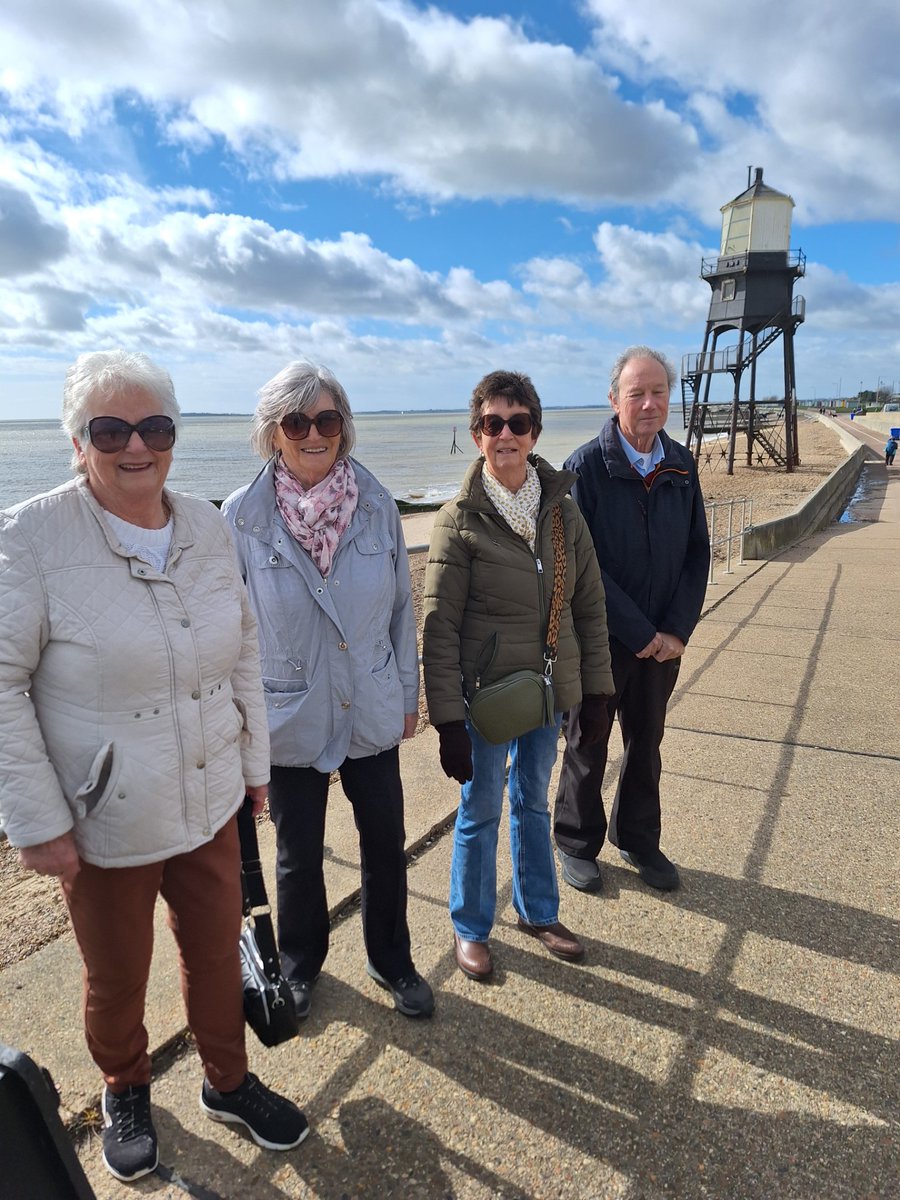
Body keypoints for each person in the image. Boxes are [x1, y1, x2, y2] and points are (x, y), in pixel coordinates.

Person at [0, 351, 308, 1185]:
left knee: (216, 950)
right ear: (76, 441)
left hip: (209, 793)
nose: (136, 446)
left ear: (175, 435)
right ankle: (124, 1086)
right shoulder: (30, 539)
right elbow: (2, 684)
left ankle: (228, 1080)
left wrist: (253, 766)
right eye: (111, 429)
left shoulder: (207, 525)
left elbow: (243, 647)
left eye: (155, 427)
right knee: (116, 970)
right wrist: (37, 820)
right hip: (107, 812)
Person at [221, 361, 433, 1021]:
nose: (313, 433)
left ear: (344, 429)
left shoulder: (376, 504)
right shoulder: (240, 518)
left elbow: (402, 608)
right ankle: (299, 962)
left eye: (327, 419)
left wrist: (407, 697)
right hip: (288, 707)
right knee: (295, 853)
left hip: (369, 699)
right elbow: (232, 629)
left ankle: (391, 958)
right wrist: (241, 721)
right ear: (274, 432)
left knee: (384, 840)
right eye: (296, 421)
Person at [423, 370, 614, 981]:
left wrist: (599, 688)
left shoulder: (562, 513)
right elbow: (440, 628)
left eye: (518, 423)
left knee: (533, 801)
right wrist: (448, 718)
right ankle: (471, 926)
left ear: (535, 430)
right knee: (479, 808)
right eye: (491, 423)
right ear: (477, 435)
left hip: (546, 692)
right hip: (486, 701)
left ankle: (538, 910)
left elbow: (589, 604)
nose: (505, 434)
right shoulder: (458, 521)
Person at [553, 346, 709, 894]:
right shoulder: (584, 467)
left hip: (664, 642)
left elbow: (697, 553)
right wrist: (640, 632)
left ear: (671, 397)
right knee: (587, 739)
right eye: (636, 393)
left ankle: (638, 838)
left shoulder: (682, 465)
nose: (649, 403)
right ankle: (576, 841)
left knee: (647, 741)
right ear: (614, 398)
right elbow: (578, 563)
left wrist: (676, 630)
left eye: (659, 391)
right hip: (600, 640)